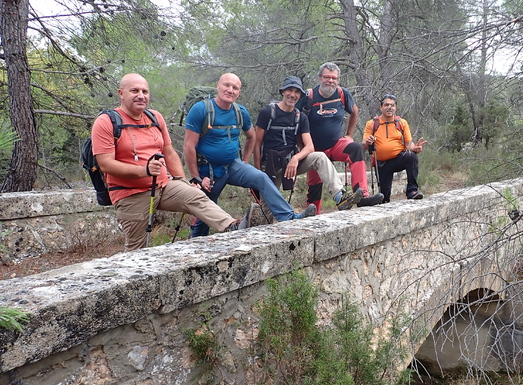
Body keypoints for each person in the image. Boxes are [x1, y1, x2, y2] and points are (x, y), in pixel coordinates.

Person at [91, 73, 246, 251]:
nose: (141, 95)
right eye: (134, 91)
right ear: (121, 93)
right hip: (130, 193)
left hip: (164, 186)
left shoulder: (155, 117)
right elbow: (106, 164)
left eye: (145, 91)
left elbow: (169, 153)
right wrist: (144, 170)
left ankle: (233, 227)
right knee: (136, 249)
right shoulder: (106, 122)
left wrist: (182, 181)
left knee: (196, 197)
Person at [184, 73, 315, 237]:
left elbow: (252, 137)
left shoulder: (241, 112)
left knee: (261, 178)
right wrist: (195, 177)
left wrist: (245, 161)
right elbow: (189, 146)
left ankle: (289, 218)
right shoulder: (201, 109)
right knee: (207, 210)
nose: (230, 90)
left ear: (239, 91)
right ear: (218, 85)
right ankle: (196, 240)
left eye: (235, 88)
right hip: (208, 170)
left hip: (233, 165)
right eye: (226, 85)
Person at [254, 76, 364, 213]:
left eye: (296, 92)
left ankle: (340, 196)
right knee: (267, 211)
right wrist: (257, 172)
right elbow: (257, 143)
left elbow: (309, 147)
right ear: (283, 92)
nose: (292, 95)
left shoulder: (300, 117)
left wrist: (295, 158)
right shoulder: (267, 113)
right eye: (289, 90)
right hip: (270, 166)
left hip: (290, 163)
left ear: (300, 95)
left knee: (319, 157)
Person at [296, 62, 384, 212]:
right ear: (319, 78)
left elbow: (354, 112)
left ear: (338, 79)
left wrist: (349, 135)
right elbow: (296, 122)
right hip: (315, 150)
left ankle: (362, 196)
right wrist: (301, 147)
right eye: (327, 77)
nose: (330, 81)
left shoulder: (343, 94)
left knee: (356, 148)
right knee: (314, 186)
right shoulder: (308, 97)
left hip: (336, 144)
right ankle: (313, 214)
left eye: (334, 78)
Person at [361, 94, 427, 202]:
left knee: (411, 156)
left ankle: (412, 191)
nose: (389, 107)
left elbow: (408, 144)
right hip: (381, 164)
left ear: (395, 108)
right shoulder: (372, 124)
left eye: (392, 105)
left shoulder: (401, 123)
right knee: (384, 197)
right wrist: (367, 142)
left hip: (398, 159)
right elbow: (364, 144)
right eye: (386, 105)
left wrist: (415, 148)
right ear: (380, 107)